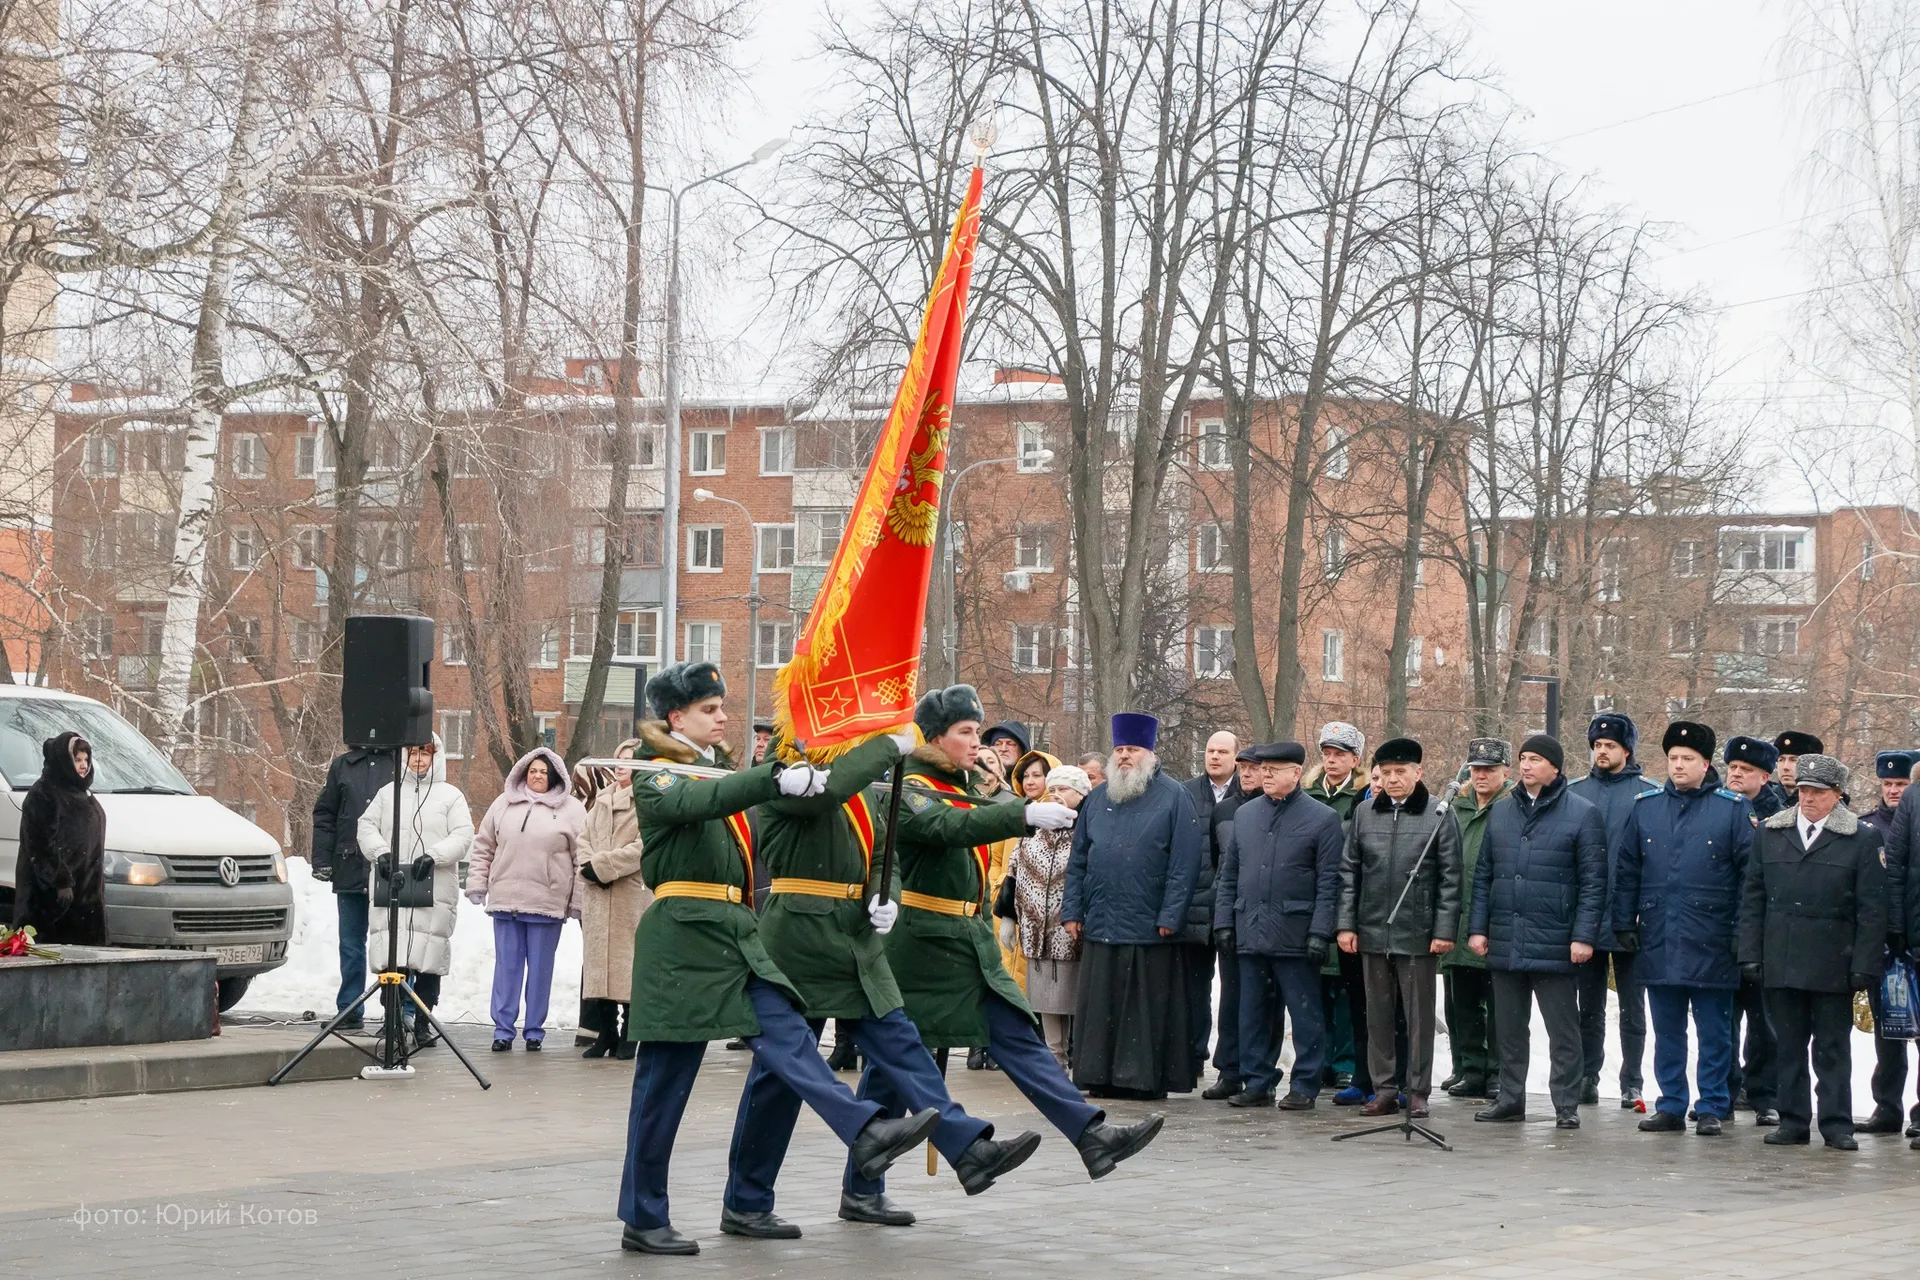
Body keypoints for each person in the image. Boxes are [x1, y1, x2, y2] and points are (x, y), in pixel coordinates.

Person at [613, 660, 941, 1254]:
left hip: (736, 931)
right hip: (682, 936)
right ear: (674, 717)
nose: (722, 717)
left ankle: (862, 1129)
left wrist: (794, 778)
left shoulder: (717, 770)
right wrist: (772, 778)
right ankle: (643, 1214)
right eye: (709, 710)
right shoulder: (655, 772)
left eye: (720, 707)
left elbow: (738, 794)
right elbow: (695, 805)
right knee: (664, 1085)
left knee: (789, 1033)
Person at [865, 684, 1161, 1207]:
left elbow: (969, 822)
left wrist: (1000, 793)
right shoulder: (908, 786)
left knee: (1015, 1036)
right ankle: (862, 1188)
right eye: (966, 732)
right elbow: (947, 826)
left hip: (964, 942)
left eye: (977, 730)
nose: (977, 741)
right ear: (935, 737)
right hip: (921, 948)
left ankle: (1090, 1136)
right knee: (891, 1069)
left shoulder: (961, 782)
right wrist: (1020, 813)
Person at [743, 725, 1041, 1228]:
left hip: (856, 937)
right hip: (799, 934)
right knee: (778, 1082)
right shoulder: (788, 771)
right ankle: (748, 1201)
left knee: (903, 1044)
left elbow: (885, 850)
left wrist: (888, 894)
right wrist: (886, 747)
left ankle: (966, 1147)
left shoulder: (862, 781)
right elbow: (826, 793)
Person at [1611, 721, 1752, 1137]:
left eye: (1687, 759)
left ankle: (1711, 1105)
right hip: (1659, 935)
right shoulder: (1646, 806)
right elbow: (1627, 870)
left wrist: (1743, 932)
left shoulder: (1732, 809)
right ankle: (1671, 1103)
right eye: (1672, 758)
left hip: (1713, 937)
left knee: (1714, 1032)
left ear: (1706, 763)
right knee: (1667, 1028)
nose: (1678, 765)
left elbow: (1750, 878)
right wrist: (1623, 922)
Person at [1740, 753, 1886, 1150]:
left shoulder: (1861, 837)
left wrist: (1865, 965)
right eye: (1803, 790)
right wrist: (1749, 952)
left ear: (1837, 795)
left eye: (1818, 792)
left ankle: (1837, 1124)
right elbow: (1753, 899)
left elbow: (1872, 909)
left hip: (1833, 959)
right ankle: (1792, 1121)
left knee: (1832, 1048)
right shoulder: (1771, 831)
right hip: (1781, 957)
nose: (1808, 798)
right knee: (1787, 1045)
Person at [1064, 712, 1205, 1099]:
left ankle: (1141, 1079)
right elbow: (1078, 860)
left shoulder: (1175, 797)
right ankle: (1098, 1075)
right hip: (1102, 918)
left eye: (1133, 749)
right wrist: (1073, 911)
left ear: (1150, 753)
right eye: (1120, 749)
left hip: (1150, 924)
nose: (1125, 756)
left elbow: (1184, 863)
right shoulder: (1097, 798)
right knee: (1101, 1005)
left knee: (1142, 1009)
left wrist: (1170, 916)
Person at [1469, 733, 1607, 1129]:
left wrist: (1583, 936)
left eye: (1536, 759)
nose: (1527, 765)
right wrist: (1478, 928)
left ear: (1555, 768)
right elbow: (1483, 876)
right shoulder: (1501, 812)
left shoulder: (1582, 813)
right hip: (1507, 938)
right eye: (1523, 758)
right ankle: (1510, 1099)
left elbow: (1594, 883)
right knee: (1509, 1030)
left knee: (1563, 1031)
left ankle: (1566, 1104)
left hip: (1556, 942)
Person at [1335, 737, 1462, 1118]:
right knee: (1378, 1016)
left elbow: (1451, 879)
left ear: (1417, 773)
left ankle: (1417, 1090)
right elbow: (1349, 873)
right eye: (1386, 772)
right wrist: (1346, 925)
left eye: (1400, 772)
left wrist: (1443, 930)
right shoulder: (1364, 814)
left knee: (1419, 1017)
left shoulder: (1439, 812)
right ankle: (1384, 1088)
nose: (1392, 779)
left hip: (1418, 933)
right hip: (1372, 929)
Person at [1214, 741, 1344, 1109]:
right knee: (1252, 1011)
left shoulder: (1322, 818)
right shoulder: (1246, 815)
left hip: (1296, 933)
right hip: (1250, 928)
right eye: (1262, 769)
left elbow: (1329, 882)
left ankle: (1305, 1083)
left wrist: (1321, 932)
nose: (1266, 775)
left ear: (1296, 773)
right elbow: (1230, 875)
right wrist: (1224, 921)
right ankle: (1257, 1080)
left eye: (1274, 769)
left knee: (1304, 1015)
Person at [355, 735, 472, 1049]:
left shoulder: (451, 796)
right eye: (413, 752)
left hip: (432, 884)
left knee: (428, 956)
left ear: (437, 756)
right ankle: (391, 1019)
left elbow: (463, 835)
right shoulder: (388, 793)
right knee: (392, 954)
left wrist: (434, 855)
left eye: (426, 753)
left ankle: (423, 1022)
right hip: (393, 882)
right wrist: (380, 852)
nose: (419, 759)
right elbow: (366, 827)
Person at [467, 745, 586, 1051]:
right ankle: (502, 1031)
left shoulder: (571, 810)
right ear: (522, 772)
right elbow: (483, 847)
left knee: (540, 970)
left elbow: (581, 858)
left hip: (547, 903)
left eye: (543, 772)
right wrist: (478, 883)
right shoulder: (503, 804)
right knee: (506, 968)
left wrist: (577, 901)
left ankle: (534, 1030)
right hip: (506, 900)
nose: (537, 776)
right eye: (532, 770)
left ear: (555, 776)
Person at [1565, 711, 1649, 1108]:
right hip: (1587, 915)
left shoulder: (1649, 795)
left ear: (1626, 750)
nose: (1602, 751)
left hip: (1631, 917)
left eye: (1610, 746)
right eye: (1597, 745)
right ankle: (1587, 1076)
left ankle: (1632, 1080)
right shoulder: (1576, 792)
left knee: (1634, 1007)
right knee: (1589, 1006)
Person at [1008, 764, 1094, 1066]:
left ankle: (1077, 1055)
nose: (1057, 795)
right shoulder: (1034, 832)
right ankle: (1053, 1056)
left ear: (1081, 794)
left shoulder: (1087, 831)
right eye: (1053, 789)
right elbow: (1013, 872)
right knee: (1045, 999)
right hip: (1035, 931)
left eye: (1064, 790)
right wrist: (1009, 916)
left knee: (1070, 997)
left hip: (1070, 932)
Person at [1304, 722, 1369, 1103]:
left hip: (1344, 901)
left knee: (1346, 993)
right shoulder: (1309, 795)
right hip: (1311, 902)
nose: (1332, 760)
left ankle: (1345, 1062)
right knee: (1316, 991)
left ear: (1355, 760)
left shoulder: (1361, 799)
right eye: (1327, 753)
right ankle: (1322, 1060)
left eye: (1340, 754)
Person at [1442, 738, 1511, 1100]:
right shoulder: (1455, 806)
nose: (1481, 775)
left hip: (1496, 920)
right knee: (1462, 1002)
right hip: (1457, 918)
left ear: (1506, 772)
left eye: (1489, 769)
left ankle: (1499, 1072)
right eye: (1476, 769)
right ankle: (1471, 1068)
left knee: (1499, 1005)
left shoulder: (1513, 806)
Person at [1722, 734, 1785, 1126]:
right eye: (1732, 768)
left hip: (1764, 936)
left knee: (1766, 1023)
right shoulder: (1717, 809)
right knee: (1721, 1021)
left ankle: (1764, 1095)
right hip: (1722, 931)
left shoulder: (1780, 817)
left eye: (1746, 770)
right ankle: (1723, 1092)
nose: (1737, 775)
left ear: (1765, 776)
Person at [578, 738, 651, 1060]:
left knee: (627, 966)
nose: (621, 765)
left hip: (628, 896)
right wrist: (588, 867)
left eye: (630, 760)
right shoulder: (601, 800)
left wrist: (602, 867)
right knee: (599, 968)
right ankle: (605, 1033)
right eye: (619, 759)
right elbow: (583, 839)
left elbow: (642, 847)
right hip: (597, 895)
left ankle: (629, 1034)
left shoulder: (648, 803)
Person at [1856, 751, 1916, 1136]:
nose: (1893, 791)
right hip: (1884, 945)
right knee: (1888, 1032)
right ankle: (1886, 1107)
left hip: (1914, 936)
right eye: (1888, 784)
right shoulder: (1866, 826)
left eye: (1901, 784)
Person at [310, 742, 389, 1029]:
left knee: (392, 943)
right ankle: (350, 1008)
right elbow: (325, 814)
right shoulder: (343, 765)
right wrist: (321, 860)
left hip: (388, 869)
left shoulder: (401, 762)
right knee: (351, 944)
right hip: (349, 864)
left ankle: (396, 1013)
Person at [1182, 730, 1239, 1087]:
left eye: (1222, 751)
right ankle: (1192, 1055)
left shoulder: (1246, 794)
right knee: (1193, 989)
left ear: (1236, 756)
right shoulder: (1186, 793)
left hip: (1231, 907)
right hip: (1194, 905)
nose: (1214, 757)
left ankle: (1229, 1063)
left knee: (1233, 989)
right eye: (1209, 751)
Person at [13, 732, 107, 945]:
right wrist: (60, 883)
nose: (83, 766)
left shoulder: (84, 794)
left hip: (85, 897)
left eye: (86, 760)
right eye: (77, 759)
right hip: (52, 900)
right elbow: (40, 844)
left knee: (87, 966)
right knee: (50, 964)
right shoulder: (44, 793)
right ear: (64, 761)